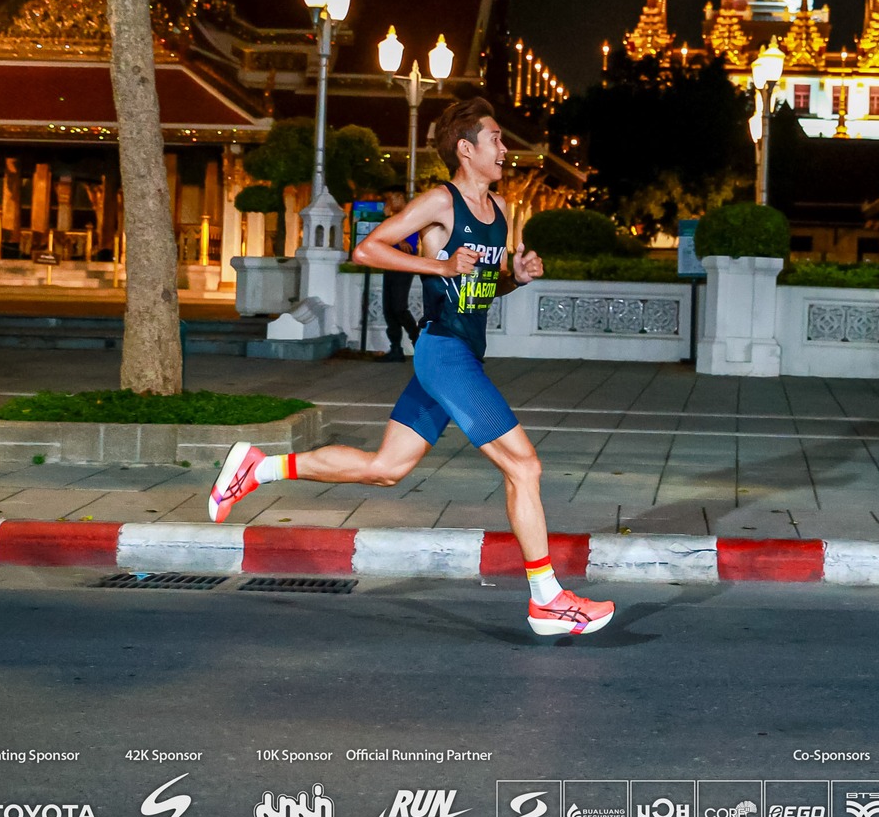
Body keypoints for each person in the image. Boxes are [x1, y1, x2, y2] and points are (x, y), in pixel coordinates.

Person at [209, 97, 615, 637]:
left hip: (458, 353)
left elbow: (477, 289)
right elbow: (367, 249)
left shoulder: (498, 210)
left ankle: (258, 468)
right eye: (495, 138)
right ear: (466, 149)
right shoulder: (442, 202)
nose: (504, 147)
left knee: (386, 468)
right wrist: (437, 264)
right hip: (444, 353)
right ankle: (547, 600)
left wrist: (515, 278)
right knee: (524, 466)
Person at [377, 191, 421, 362]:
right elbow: (381, 238)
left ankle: (417, 339)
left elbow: (406, 246)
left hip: (403, 265)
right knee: (388, 309)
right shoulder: (393, 219)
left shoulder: (410, 216)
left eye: (392, 198)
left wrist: (398, 240)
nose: (389, 201)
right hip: (390, 264)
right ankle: (395, 347)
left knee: (399, 307)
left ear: (401, 198)